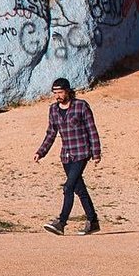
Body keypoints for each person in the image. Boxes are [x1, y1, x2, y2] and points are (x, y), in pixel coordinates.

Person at [34, 77, 102, 235]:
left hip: (81, 152)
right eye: (55, 93)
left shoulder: (81, 106)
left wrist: (96, 152)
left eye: (60, 92)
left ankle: (61, 222)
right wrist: (41, 152)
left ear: (68, 91)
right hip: (66, 155)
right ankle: (93, 221)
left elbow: (92, 130)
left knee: (68, 187)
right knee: (80, 189)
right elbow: (51, 133)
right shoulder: (53, 110)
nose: (58, 96)